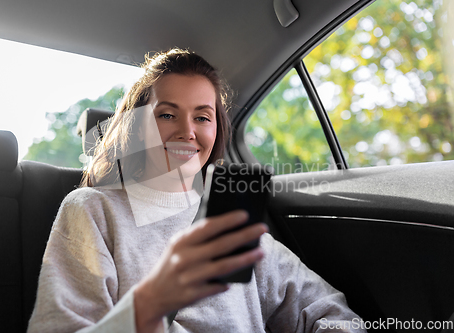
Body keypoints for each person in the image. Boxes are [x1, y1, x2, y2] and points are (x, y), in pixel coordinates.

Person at [27, 48, 366, 333]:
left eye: (202, 117)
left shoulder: (229, 217)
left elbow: (331, 313)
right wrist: (152, 302)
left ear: (216, 130)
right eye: (167, 114)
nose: (187, 131)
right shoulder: (92, 210)